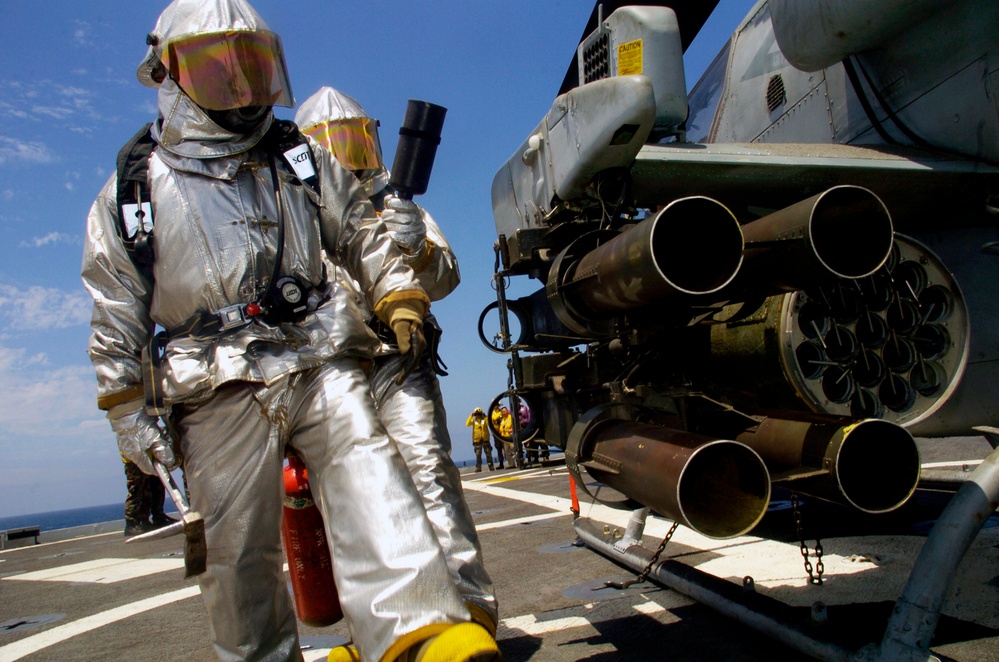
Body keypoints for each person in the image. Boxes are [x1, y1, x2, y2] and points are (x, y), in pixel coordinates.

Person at [81, 2, 498, 660]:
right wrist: (126, 404)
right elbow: (115, 299)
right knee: (239, 549)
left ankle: (432, 625)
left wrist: (404, 273)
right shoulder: (132, 191)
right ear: (169, 74)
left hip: (345, 361)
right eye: (221, 71)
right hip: (213, 380)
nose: (241, 89)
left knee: (395, 480)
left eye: (251, 69)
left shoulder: (308, 173)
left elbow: (393, 253)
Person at [294, 86, 499, 652]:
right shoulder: (292, 206)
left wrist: (420, 249)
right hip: (333, 373)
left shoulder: (399, 205)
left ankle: (468, 619)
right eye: (332, 145)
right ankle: (382, 637)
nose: (348, 156)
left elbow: (446, 279)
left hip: (399, 361)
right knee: (355, 508)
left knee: (431, 480)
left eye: (355, 140)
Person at [122, 454, 174, 536]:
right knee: (137, 490)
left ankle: (155, 518)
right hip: (134, 460)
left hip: (148, 458)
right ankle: (131, 524)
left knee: (153, 488)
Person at [465, 407, 493, 472]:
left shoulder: (484, 420)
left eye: (479, 414)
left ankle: (491, 465)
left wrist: (485, 416)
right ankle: (478, 467)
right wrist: (471, 415)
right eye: (476, 414)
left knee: (488, 453)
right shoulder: (474, 420)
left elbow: (489, 423)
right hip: (477, 440)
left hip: (485, 439)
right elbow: (467, 424)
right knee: (478, 455)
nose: (478, 415)